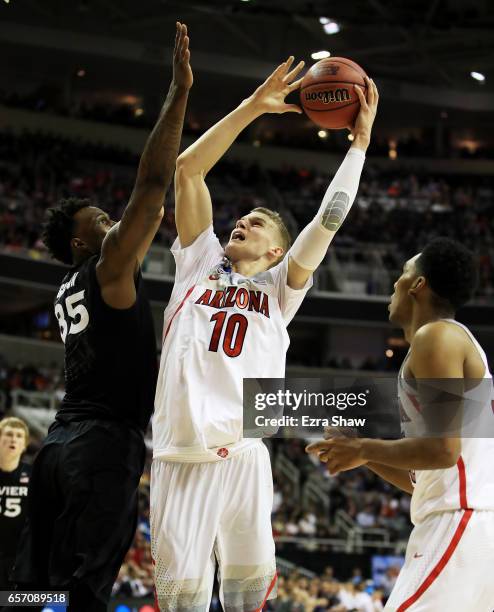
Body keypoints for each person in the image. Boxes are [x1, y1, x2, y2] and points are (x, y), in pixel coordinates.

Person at [151, 56, 379, 611]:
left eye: (257, 222)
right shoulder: (198, 262)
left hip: (248, 456)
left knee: (247, 600)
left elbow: (328, 221)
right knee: (181, 603)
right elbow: (186, 170)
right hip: (181, 458)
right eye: (242, 217)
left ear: (276, 250)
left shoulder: (281, 289)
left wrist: (359, 148)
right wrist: (253, 108)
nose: (242, 222)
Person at [7, 23, 192, 612]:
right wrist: (178, 94)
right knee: (85, 588)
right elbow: (155, 184)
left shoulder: (73, 284)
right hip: (100, 445)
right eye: (100, 220)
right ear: (82, 244)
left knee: (29, 586)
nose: (114, 220)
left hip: (58, 446)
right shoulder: (107, 270)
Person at [307, 238, 494, 611]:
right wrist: (364, 455)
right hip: (464, 522)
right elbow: (425, 475)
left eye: (403, 273)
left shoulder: (437, 335)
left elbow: (442, 451)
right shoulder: (445, 341)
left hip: (462, 521)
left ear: (418, 284)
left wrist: (362, 448)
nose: (395, 283)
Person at [0, 418, 30, 589]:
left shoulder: (33, 476)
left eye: (19, 436)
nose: (13, 439)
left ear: (24, 444)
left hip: (18, 559)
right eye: (9, 434)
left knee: (13, 603)